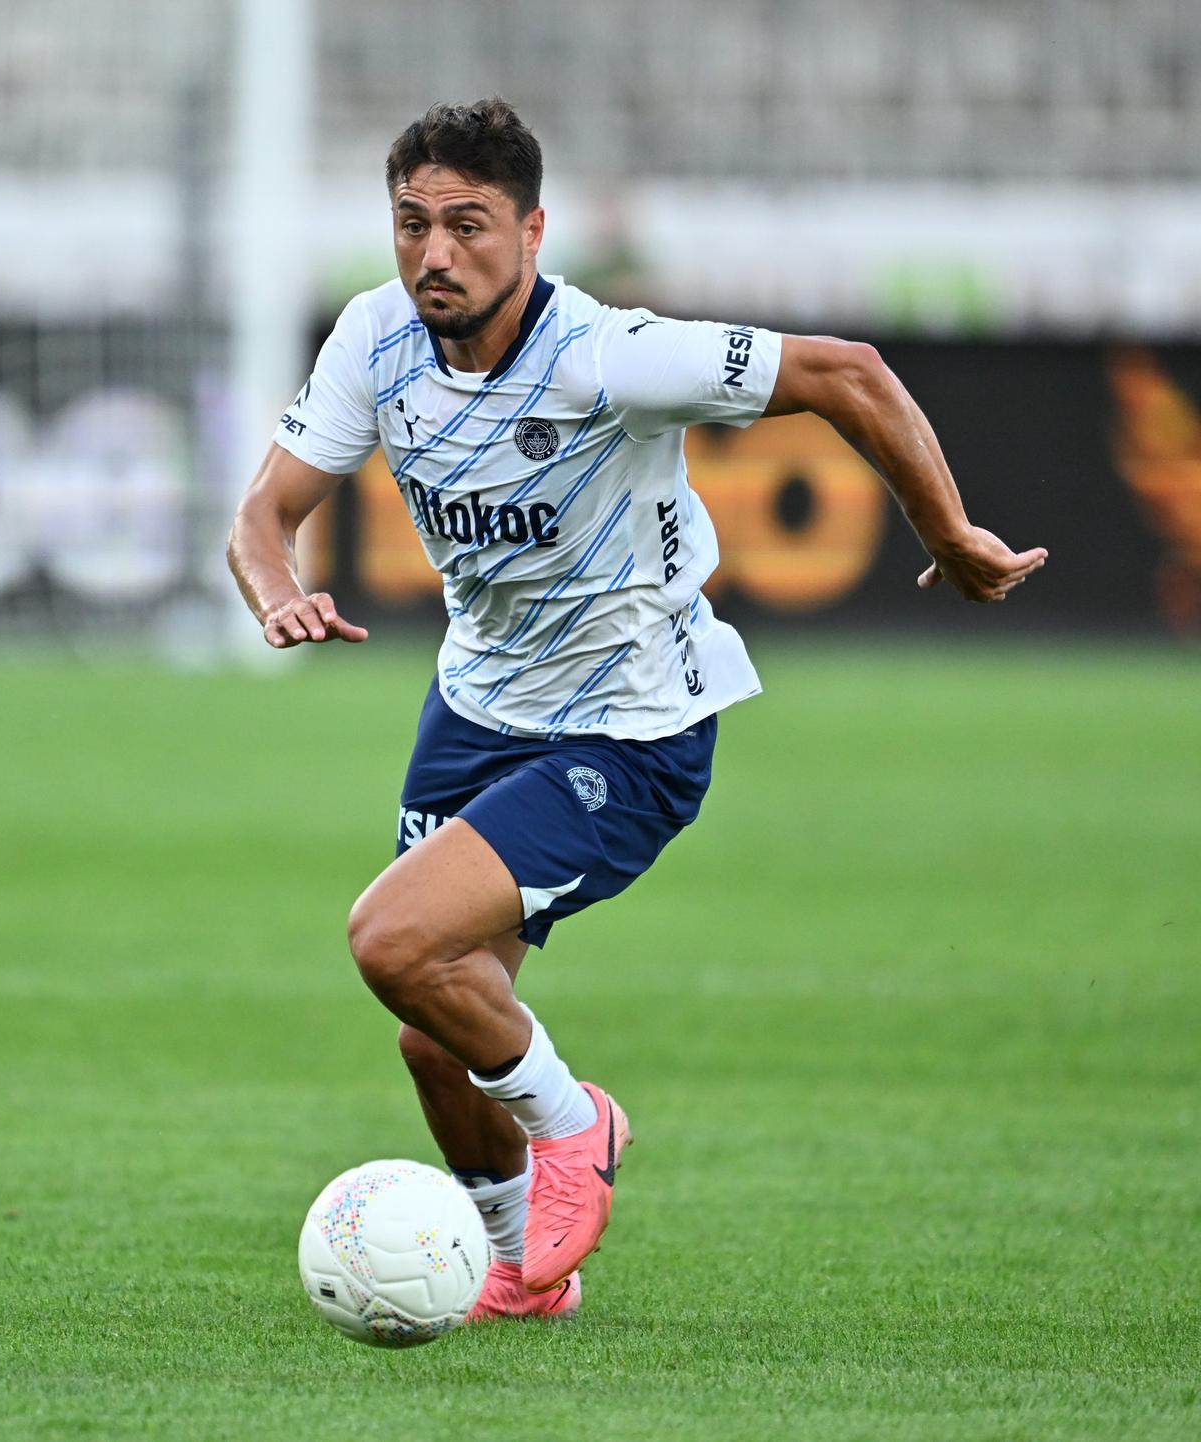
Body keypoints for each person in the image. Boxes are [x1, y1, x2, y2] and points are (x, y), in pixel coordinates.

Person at [226, 98, 1047, 1322]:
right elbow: (261, 515)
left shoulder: (607, 355)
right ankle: (520, 1274)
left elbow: (848, 373)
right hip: (475, 706)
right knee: (434, 1034)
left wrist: (949, 534)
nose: (433, 253)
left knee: (390, 940)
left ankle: (576, 1124)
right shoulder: (375, 337)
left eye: (466, 225)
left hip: (628, 727)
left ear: (531, 231)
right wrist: (278, 593)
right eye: (410, 223)